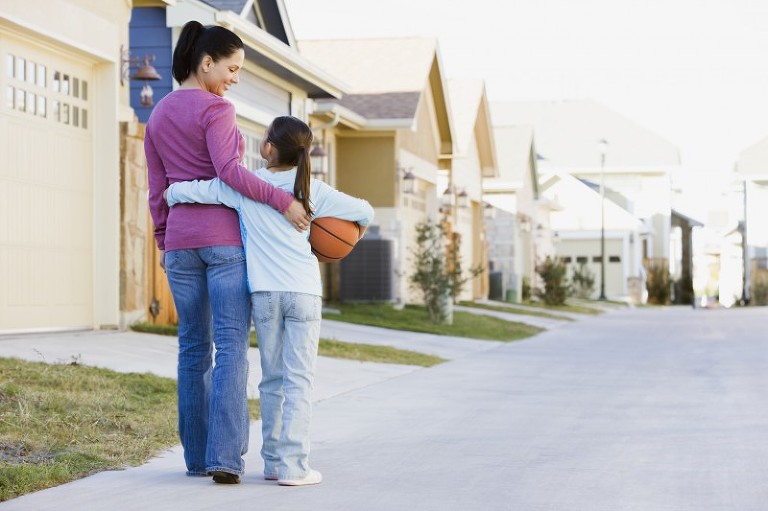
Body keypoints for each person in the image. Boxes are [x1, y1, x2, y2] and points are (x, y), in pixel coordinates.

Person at [165, 115, 375, 486]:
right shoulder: (313, 189)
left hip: (264, 296)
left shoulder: (246, 186)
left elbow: (198, 190)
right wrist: (337, 237)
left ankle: (275, 462)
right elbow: (364, 211)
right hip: (304, 294)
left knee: (273, 380)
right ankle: (295, 467)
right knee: (299, 381)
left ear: (267, 148)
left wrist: (169, 193)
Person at [145, 21, 311, 485]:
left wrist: (165, 240)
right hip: (223, 244)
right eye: (232, 68)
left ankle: (196, 459)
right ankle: (224, 458)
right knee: (232, 346)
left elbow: (156, 190)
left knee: (192, 348)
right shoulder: (217, 110)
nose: (235, 78)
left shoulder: (158, 114)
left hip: (180, 245)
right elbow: (230, 174)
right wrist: (285, 200)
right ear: (207, 62)